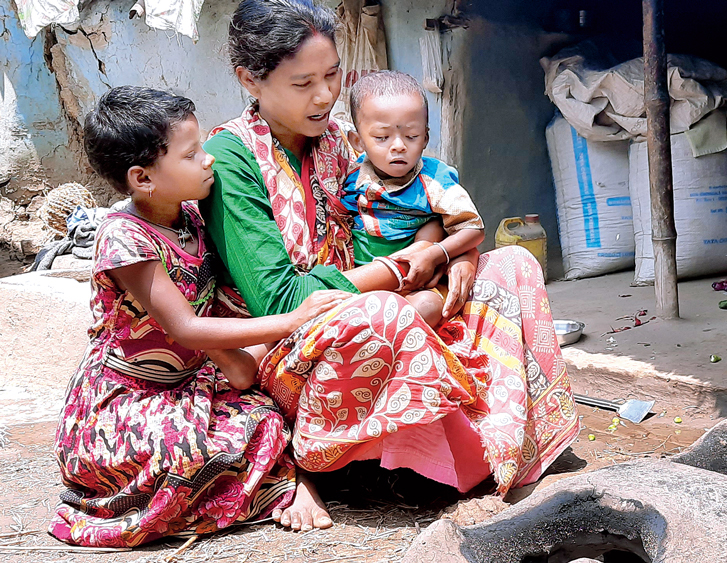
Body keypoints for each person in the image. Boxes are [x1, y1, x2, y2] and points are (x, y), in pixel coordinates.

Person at [202, 0, 580, 531]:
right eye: (302, 82)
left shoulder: (339, 139)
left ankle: (494, 444)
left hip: (371, 300)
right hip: (285, 342)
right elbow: (280, 301)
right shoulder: (233, 159)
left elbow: (416, 206)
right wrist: (408, 270)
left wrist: (450, 251)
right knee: (384, 313)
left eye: (332, 75)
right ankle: (350, 460)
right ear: (251, 81)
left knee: (512, 264)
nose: (324, 95)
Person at [50, 86, 349, 547]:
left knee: (265, 417)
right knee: (184, 450)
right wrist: (293, 320)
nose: (208, 160)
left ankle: (287, 486)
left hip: (189, 384)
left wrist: (237, 361)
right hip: (125, 399)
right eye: (191, 154)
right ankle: (280, 490)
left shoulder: (192, 216)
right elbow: (185, 327)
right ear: (143, 178)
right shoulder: (124, 238)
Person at [341, 70, 485, 327]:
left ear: (426, 138)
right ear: (358, 141)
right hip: (364, 280)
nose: (398, 146)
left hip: (417, 282)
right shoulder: (352, 177)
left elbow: (473, 228)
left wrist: (435, 254)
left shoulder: (434, 179)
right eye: (382, 138)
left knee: (426, 308)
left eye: (411, 136)